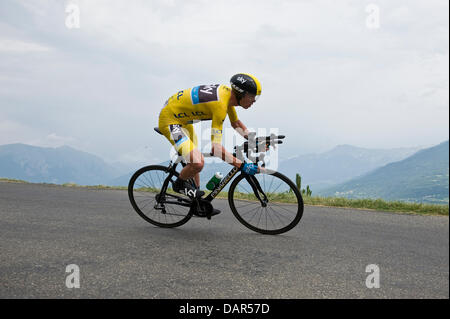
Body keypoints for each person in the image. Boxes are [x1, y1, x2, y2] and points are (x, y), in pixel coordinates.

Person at [158, 73, 262, 201]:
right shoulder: (220, 104)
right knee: (197, 162)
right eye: (252, 97)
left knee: (194, 159)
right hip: (170, 121)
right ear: (242, 93)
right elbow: (216, 150)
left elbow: (236, 123)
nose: (253, 101)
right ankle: (179, 184)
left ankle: (197, 202)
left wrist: (255, 141)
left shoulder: (228, 96)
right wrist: (242, 165)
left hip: (184, 121)